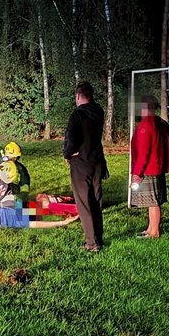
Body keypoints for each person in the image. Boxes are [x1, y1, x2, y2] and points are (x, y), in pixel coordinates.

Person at [63, 82, 108, 253]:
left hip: (81, 162)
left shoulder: (77, 114)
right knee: (96, 200)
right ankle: (99, 237)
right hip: (97, 161)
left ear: (78, 96)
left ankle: (92, 242)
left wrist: (67, 154)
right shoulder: (99, 112)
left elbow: (71, 138)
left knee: (84, 202)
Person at [130, 95, 169, 238]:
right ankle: (150, 228)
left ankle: (154, 231)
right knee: (153, 200)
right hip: (158, 166)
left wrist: (137, 172)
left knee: (153, 201)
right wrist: (161, 149)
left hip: (148, 168)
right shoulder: (160, 122)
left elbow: (143, 151)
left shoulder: (145, 125)